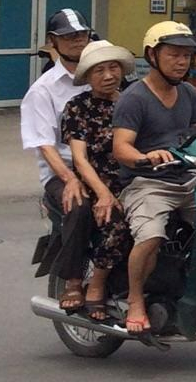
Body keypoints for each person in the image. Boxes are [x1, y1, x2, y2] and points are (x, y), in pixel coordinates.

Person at [113, 20, 196, 335]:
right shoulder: (134, 97)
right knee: (151, 236)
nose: (181, 62)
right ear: (152, 55)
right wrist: (147, 156)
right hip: (148, 183)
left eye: (186, 56)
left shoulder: (188, 92)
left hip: (189, 178)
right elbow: (121, 147)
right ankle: (135, 300)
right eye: (173, 54)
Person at [59, 41, 138, 320]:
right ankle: (96, 283)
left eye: (113, 67)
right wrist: (103, 193)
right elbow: (80, 159)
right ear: (88, 76)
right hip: (96, 182)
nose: (108, 75)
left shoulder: (133, 101)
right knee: (117, 223)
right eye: (99, 70)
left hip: (135, 178)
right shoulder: (78, 107)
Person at [22, 8, 95, 300]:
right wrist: (70, 179)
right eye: (69, 35)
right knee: (79, 205)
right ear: (53, 41)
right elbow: (44, 145)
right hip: (62, 172)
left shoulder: (103, 77)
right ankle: (73, 281)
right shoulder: (43, 90)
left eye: (82, 34)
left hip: (104, 166)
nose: (77, 40)